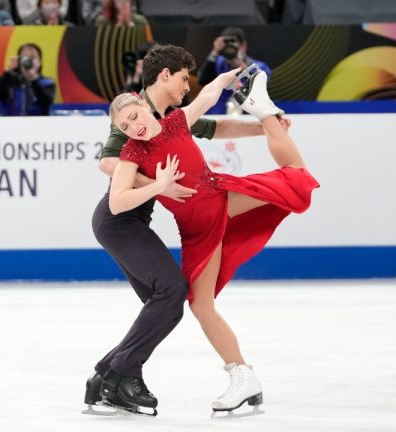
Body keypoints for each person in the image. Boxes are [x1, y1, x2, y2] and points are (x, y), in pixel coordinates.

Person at [108, 50, 319, 415]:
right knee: (200, 304)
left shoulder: (176, 121)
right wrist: (157, 186)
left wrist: (229, 78)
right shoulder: (131, 151)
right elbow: (117, 202)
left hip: (220, 198)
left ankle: (262, 107)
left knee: (295, 177)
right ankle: (243, 376)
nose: (133, 126)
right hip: (196, 233)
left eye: (133, 117)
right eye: (126, 126)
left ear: (142, 107)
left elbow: (207, 99)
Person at [197, 27, 272, 114]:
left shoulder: (258, 66)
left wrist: (242, 66)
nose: (229, 46)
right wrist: (214, 52)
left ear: (243, 45)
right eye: (226, 43)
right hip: (219, 115)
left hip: (249, 116)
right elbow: (202, 81)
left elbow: (266, 86)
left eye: (233, 42)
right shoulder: (217, 63)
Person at [0, 43, 55, 116]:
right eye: (25, 57)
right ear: (19, 61)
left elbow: (46, 102)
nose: (28, 61)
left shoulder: (47, 83)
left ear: (40, 62)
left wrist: (33, 79)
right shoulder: (9, 81)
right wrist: (7, 73)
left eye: (32, 57)